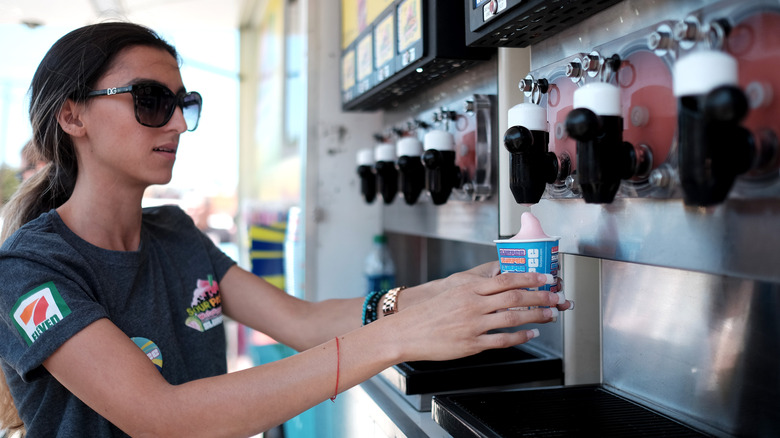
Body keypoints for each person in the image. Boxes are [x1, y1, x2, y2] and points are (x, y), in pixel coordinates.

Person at [0, 22, 573, 437]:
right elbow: (160, 417)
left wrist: (448, 293)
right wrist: (403, 334)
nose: (178, 122)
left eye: (184, 103)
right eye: (150, 101)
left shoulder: (174, 233)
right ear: (72, 116)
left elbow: (304, 322)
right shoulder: (31, 269)